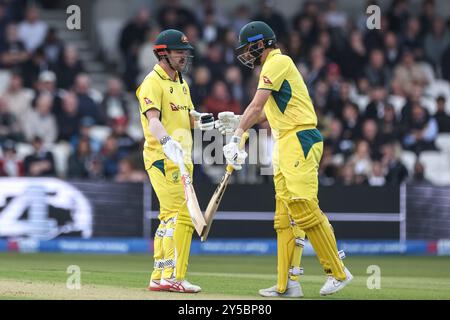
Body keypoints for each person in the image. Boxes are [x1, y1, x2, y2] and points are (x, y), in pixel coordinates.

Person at [218, 21, 352, 297]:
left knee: (303, 206)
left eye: (248, 47)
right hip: (284, 139)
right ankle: (287, 284)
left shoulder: (277, 62)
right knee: (284, 216)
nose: (246, 54)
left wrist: (237, 135)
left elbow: (256, 106)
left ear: (260, 44)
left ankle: (337, 271)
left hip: (299, 137)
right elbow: (265, 113)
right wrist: (236, 122)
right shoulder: (272, 70)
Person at [135, 29, 214, 293]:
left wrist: (212, 121)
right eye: (179, 52)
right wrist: (168, 144)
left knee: (169, 217)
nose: (184, 56)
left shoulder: (181, 81)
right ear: (163, 53)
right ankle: (173, 276)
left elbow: (188, 116)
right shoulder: (151, 82)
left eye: (185, 52)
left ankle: (160, 276)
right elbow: (154, 120)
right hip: (162, 158)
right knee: (181, 215)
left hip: (182, 159)